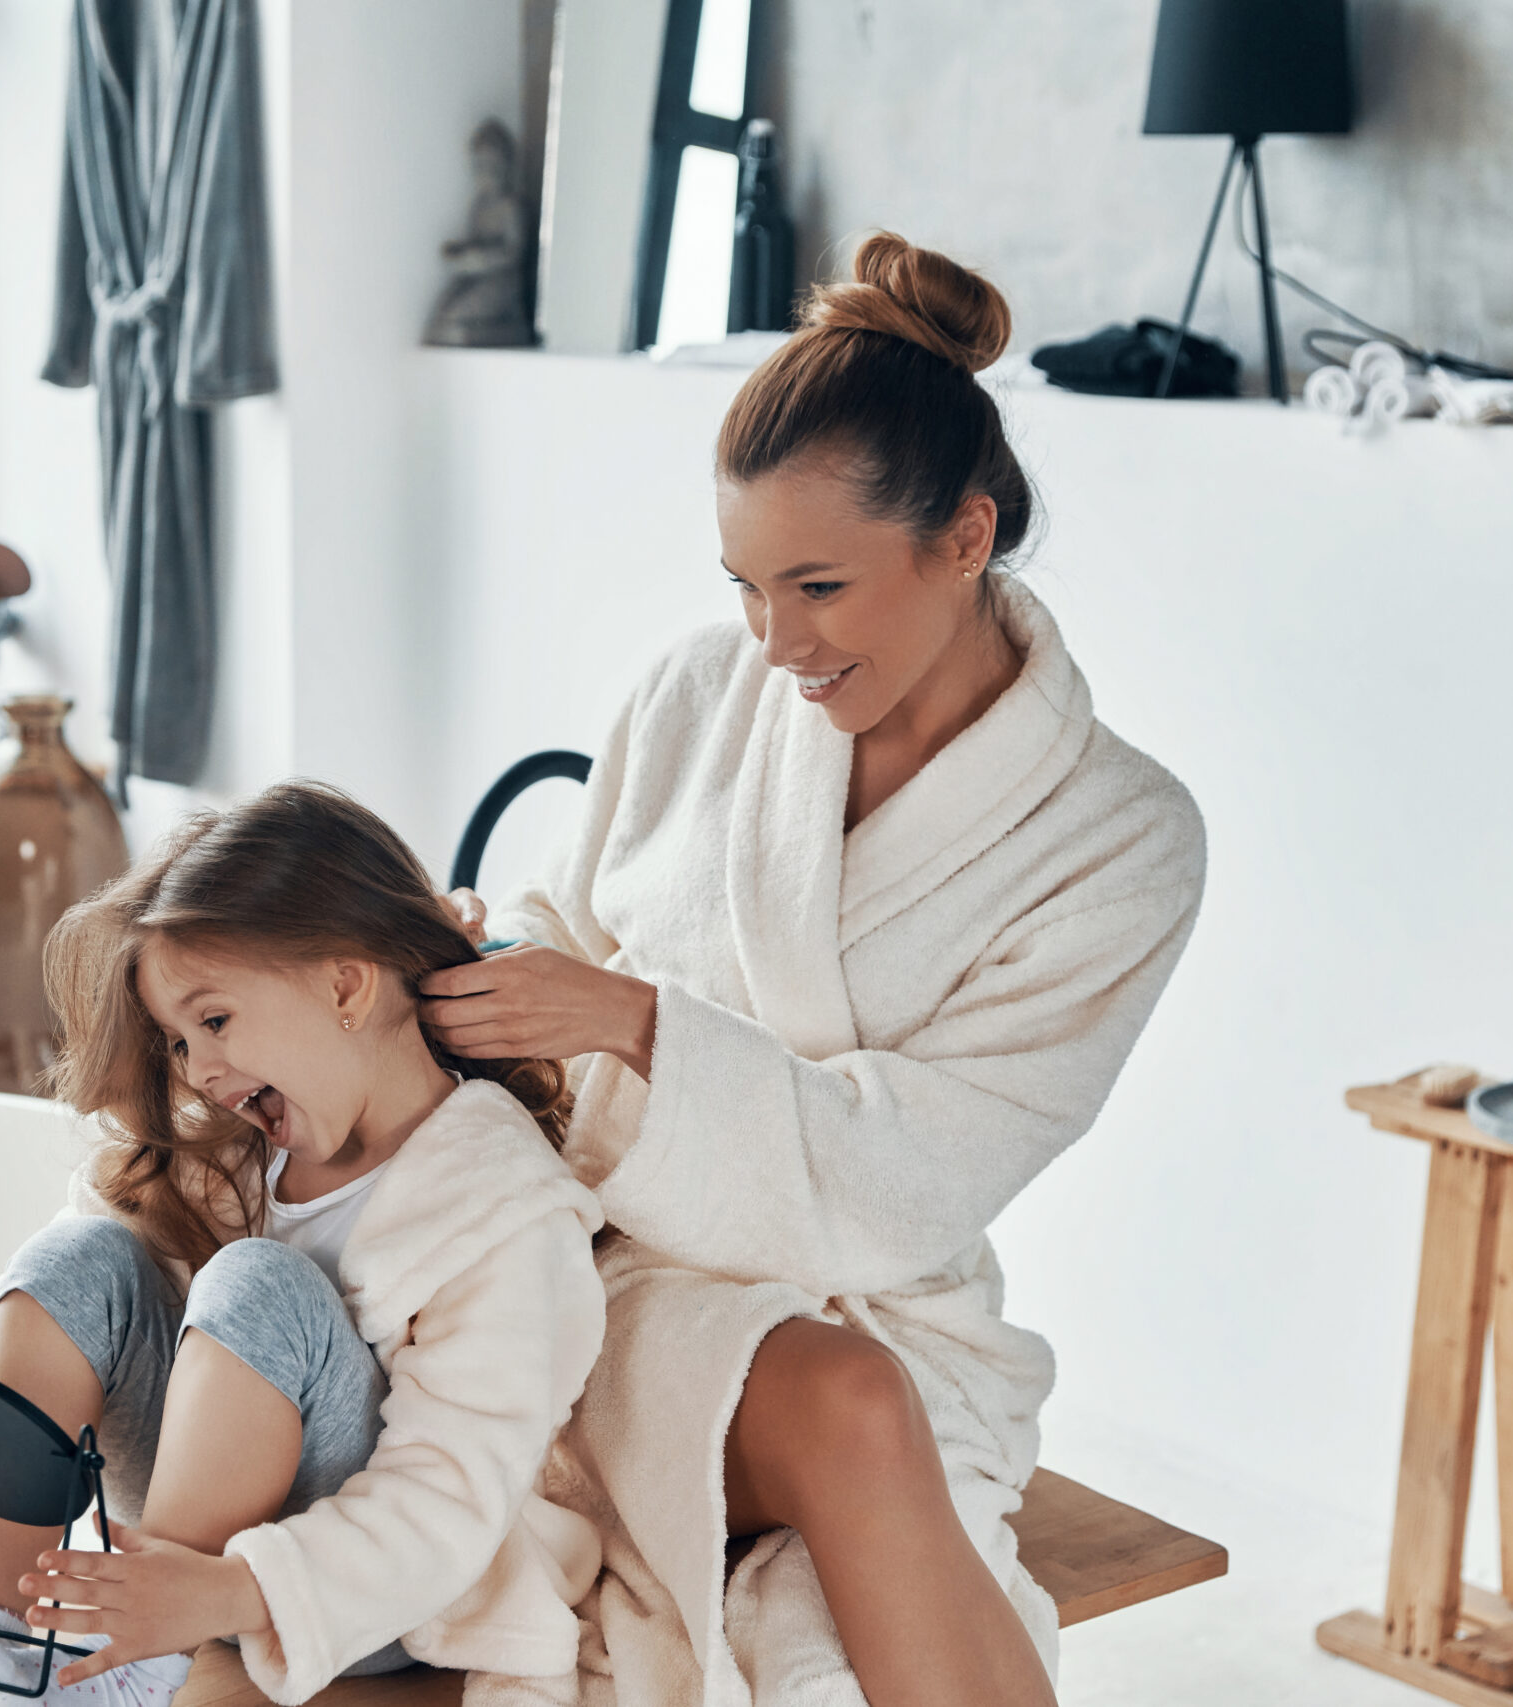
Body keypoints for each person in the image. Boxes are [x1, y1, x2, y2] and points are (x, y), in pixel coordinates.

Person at [421, 232, 1207, 1707]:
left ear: (966, 539)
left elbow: (914, 1176)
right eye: (743, 585)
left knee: (859, 1412)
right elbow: (568, 922)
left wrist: (638, 1024)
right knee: (848, 1408)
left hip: (890, 1304)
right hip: (608, 1274)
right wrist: (496, 956)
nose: (775, 640)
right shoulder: (696, 691)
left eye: (821, 586)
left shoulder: (1122, 837)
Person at [0, 782, 607, 1705]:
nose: (199, 1068)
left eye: (215, 1020)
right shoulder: (237, 1153)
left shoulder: (501, 1204)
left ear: (346, 985)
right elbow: (67, 1307)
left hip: (362, 1591)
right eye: (180, 1040)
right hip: (198, 1544)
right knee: (84, 1256)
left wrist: (234, 1589)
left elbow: (448, 1497)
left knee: (262, 1282)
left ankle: (126, 1674)